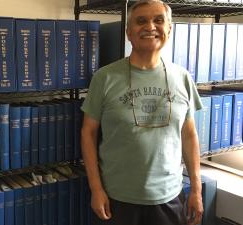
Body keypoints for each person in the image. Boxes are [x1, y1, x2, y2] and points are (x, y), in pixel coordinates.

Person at [80, 0, 204, 225]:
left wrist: (197, 189)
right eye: (141, 21)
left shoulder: (183, 78)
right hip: (117, 198)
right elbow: (88, 133)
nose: (150, 26)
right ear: (128, 32)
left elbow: (189, 134)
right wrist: (95, 189)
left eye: (158, 20)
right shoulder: (104, 78)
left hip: (169, 197)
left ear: (169, 29)